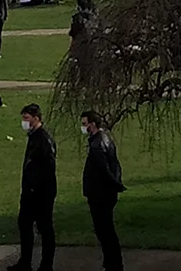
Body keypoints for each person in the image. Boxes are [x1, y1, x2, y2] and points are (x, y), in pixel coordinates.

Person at [14, 102, 57, 271]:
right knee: (24, 225)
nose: (24, 122)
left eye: (26, 118)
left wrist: (36, 188)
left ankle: (46, 265)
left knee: (44, 227)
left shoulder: (44, 140)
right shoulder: (34, 137)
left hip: (41, 193)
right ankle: (25, 262)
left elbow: (48, 169)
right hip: (30, 191)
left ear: (36, 119)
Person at [82, 110, 125, 271]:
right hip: (106, 193)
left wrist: (111, 184)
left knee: (104, 230)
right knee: (106, 230)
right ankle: (112, 262)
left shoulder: (96, 145)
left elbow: (103, 171)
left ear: (92, 125)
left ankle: (113, 264)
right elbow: (115, 165)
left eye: (85, 124)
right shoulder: (106, 140)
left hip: (100, 194)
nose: (83, 127)